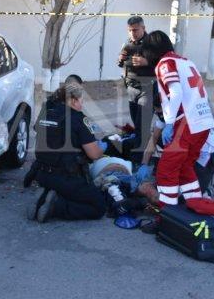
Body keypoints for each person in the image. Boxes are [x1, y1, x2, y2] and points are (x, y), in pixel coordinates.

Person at [143, 30, 214, 230]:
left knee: (166, 171)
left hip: (186, 123)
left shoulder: (165, 63)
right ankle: (196, 207)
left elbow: (175, 92)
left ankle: (166, 220)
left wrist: (169, 122)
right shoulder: (185, 61)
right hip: (203, 122)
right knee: (185, 167)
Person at [25, 83, 107, 223]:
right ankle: (56, 206)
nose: (82, 105)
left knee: (72, 190)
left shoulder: (46, 112)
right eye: (82, 101)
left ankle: (45, 196)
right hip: (66, 178)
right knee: (98, 206)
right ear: (74, 101)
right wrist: (103, 148)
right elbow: (93, 154)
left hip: (42, 174)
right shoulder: (77, 118)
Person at [117, 17, 158, 161]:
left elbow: (162, 65)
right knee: (137, 125)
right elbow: (121, 63)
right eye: (130, 30)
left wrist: (147, 62)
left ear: (143, 28)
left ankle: (140, 160)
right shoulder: (127, 44)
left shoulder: (152, 44)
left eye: (135, 30)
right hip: (131, 90)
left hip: (146, 89)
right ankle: (144, 153)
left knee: (143, 127)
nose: (132, 33)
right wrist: (121, 59)